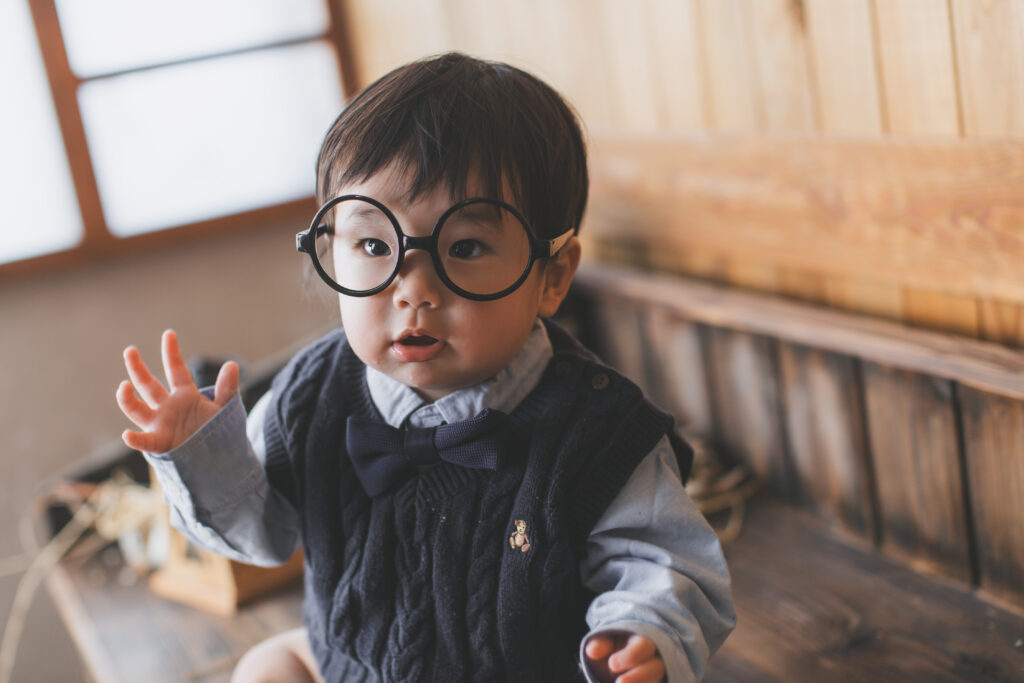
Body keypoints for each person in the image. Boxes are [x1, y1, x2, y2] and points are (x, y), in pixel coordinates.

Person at [116, 52, 735, 682]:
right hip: (350, 667)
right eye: (374, 244)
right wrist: (205, 458)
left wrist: (640, 633)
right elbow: (265, 535)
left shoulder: (598, 429)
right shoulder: (310, 394)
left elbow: (664, 563)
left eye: (464, 247)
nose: (412, 289)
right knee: (267, 665)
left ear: (552, 277)